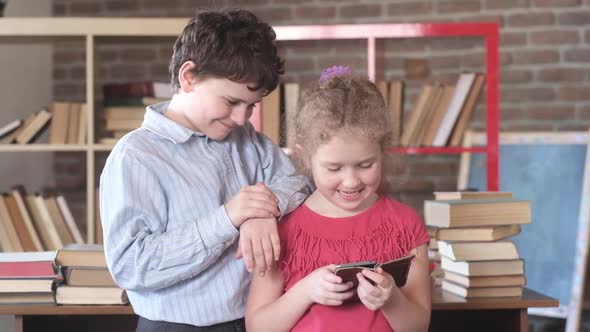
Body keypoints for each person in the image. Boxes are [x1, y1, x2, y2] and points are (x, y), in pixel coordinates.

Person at [99, 9, 311, 332]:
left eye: (251, 105)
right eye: (231, 101)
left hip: (252, 320)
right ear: (189, 77)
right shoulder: (136, 157)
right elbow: (131, 265)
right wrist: (227, 219)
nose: (242, 118)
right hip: (174, 326)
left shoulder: (246, 141)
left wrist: (263, 209)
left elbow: (300, 183)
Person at [245, 66, 431, 332]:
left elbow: (418, 327)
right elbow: (258, 327)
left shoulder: (405, 224)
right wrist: (305, 291)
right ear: (305, 158)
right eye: (334, 168)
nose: (351, 181)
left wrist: (391, 300)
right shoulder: (283, 229)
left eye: (365, 165)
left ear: (382, 152)